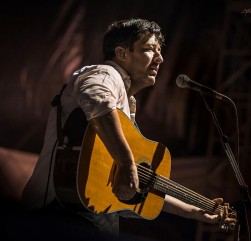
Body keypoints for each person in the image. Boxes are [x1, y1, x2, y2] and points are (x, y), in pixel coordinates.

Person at [20, 18, 236, 240]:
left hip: (85, 223)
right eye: (150, 50)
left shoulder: (126, 106)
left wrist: (195, 211)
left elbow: (138, 187)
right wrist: (125, 161)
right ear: (122, 53)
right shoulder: (106, 73)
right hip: (57, 218)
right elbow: (94, 95)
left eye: (160, 52)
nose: (160, 58)